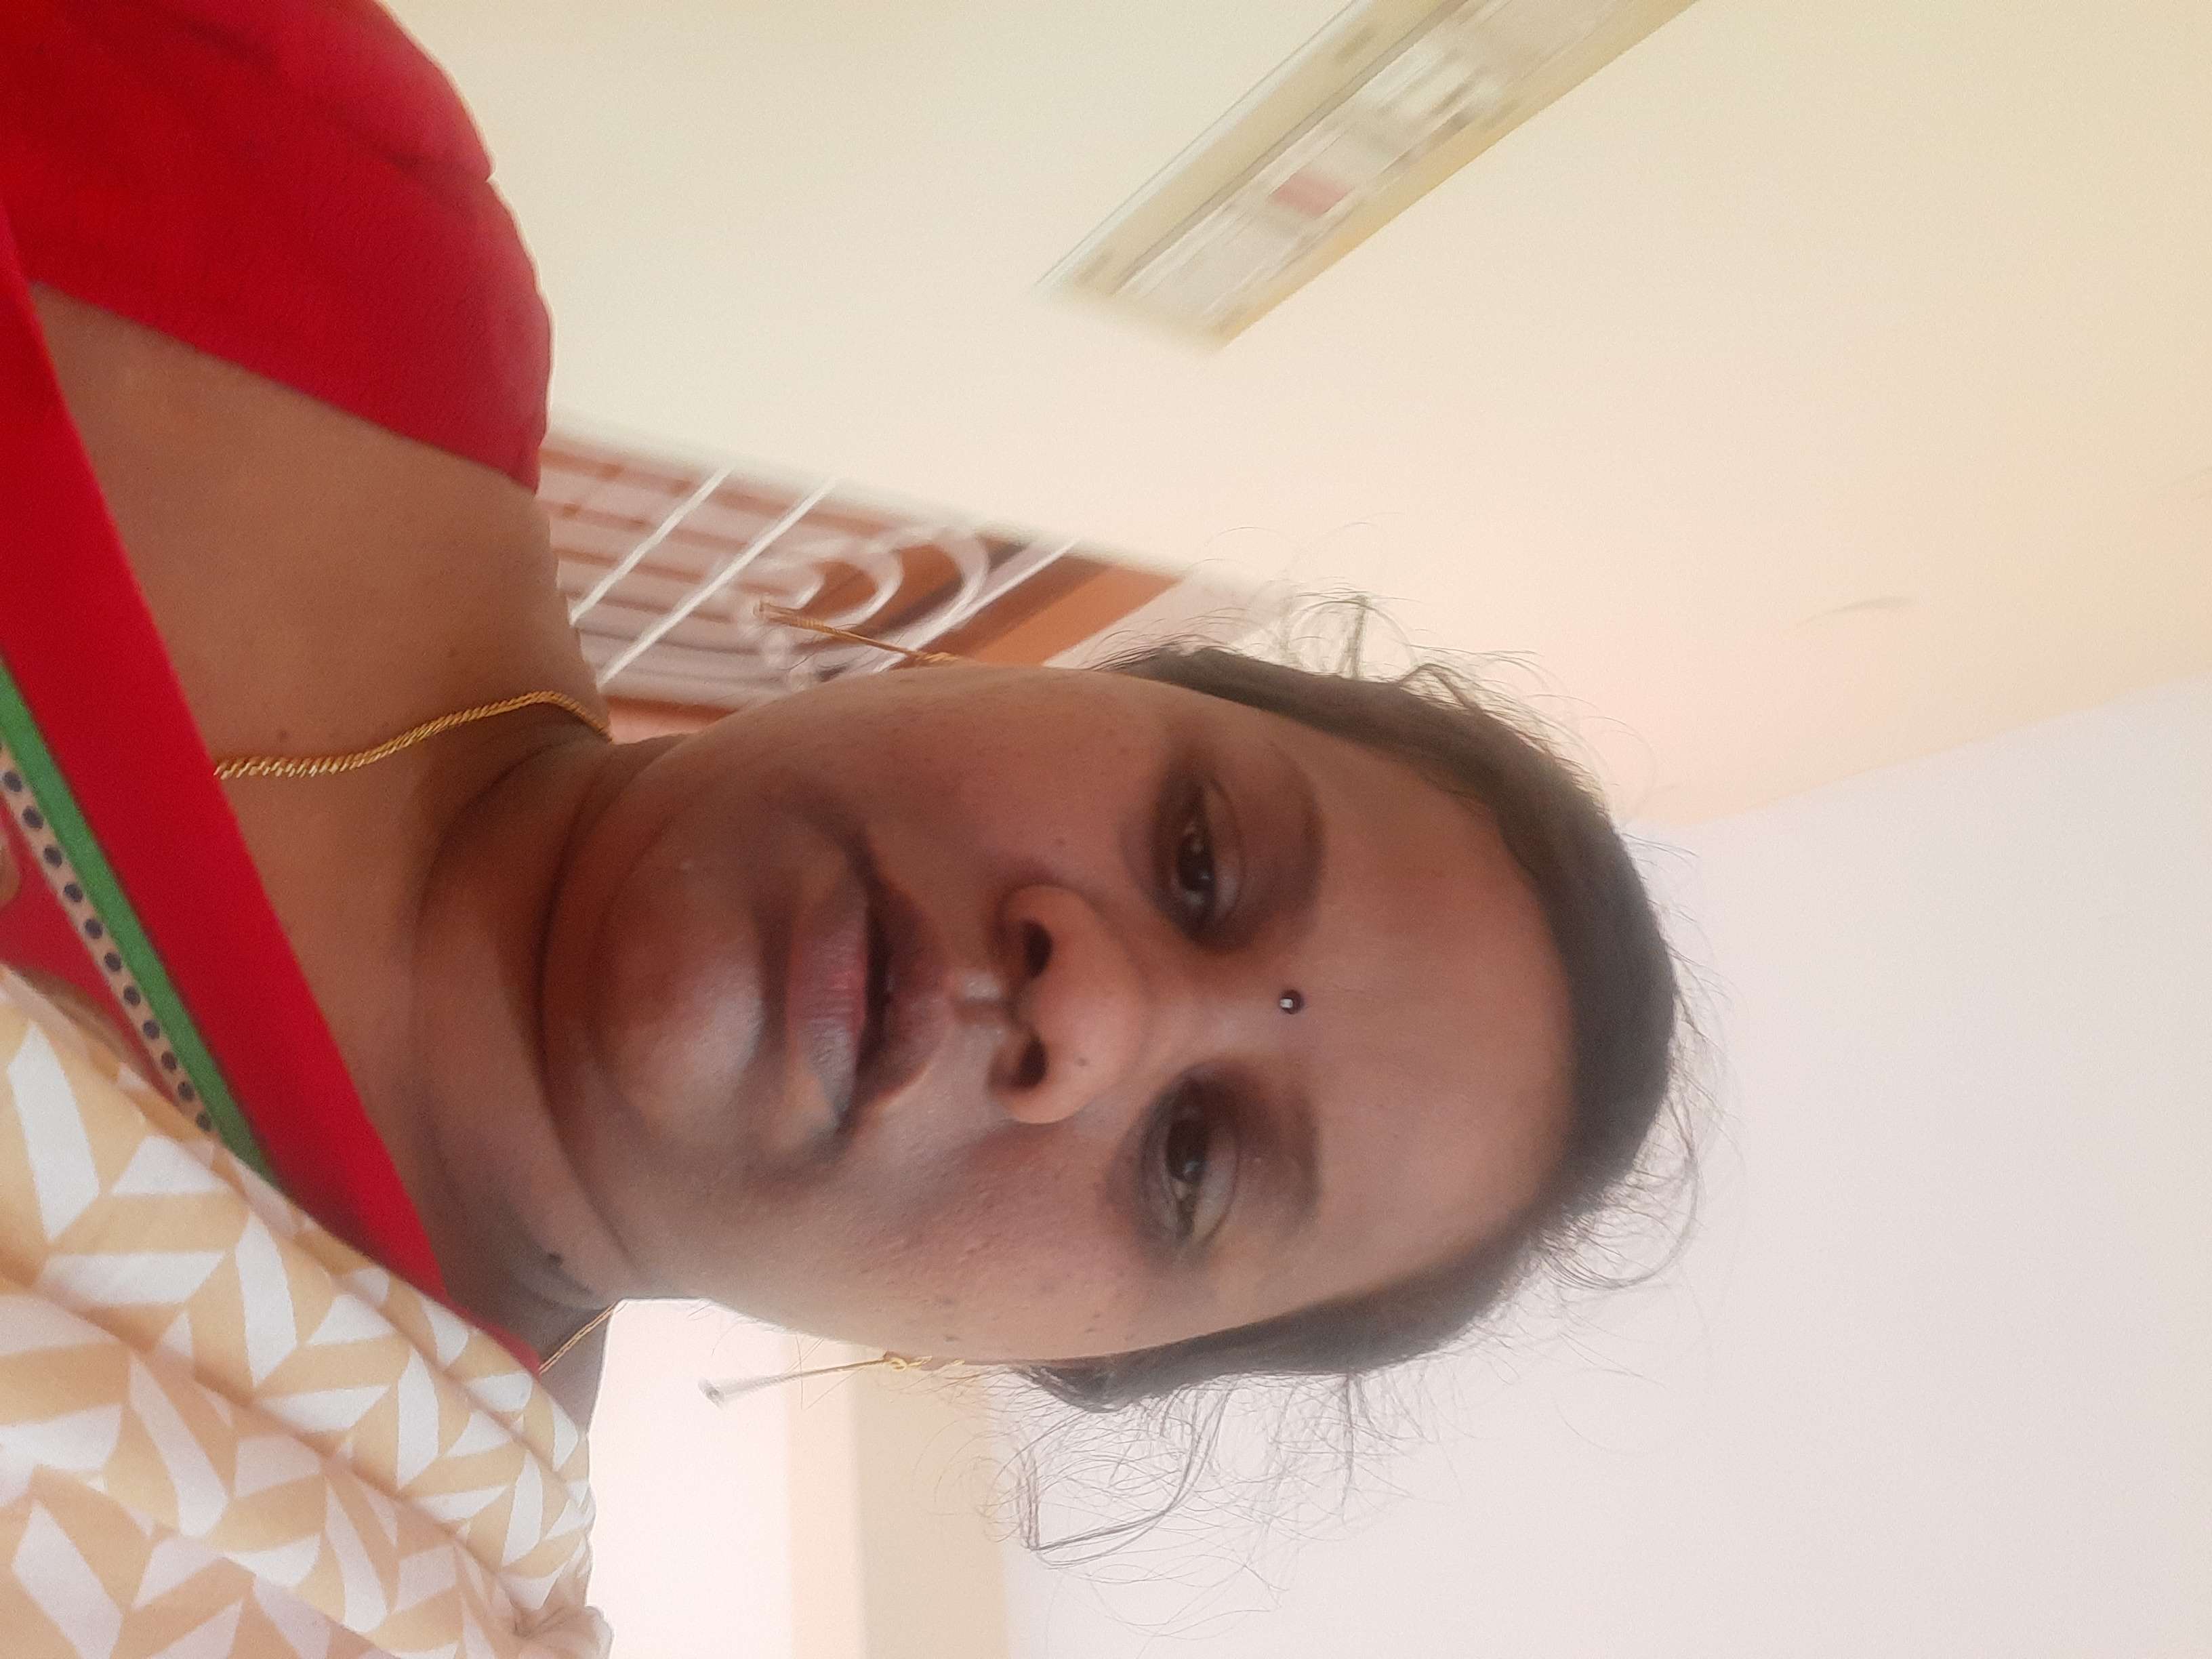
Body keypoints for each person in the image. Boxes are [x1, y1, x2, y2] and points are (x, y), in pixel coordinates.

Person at [0, 2, 1682, 1654]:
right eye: (1199, 859)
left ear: (1033, 1355)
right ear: (1078, 683)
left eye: (1194, 1161)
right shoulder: (329, 190)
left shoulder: (347, 1597)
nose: (1092, 1011)